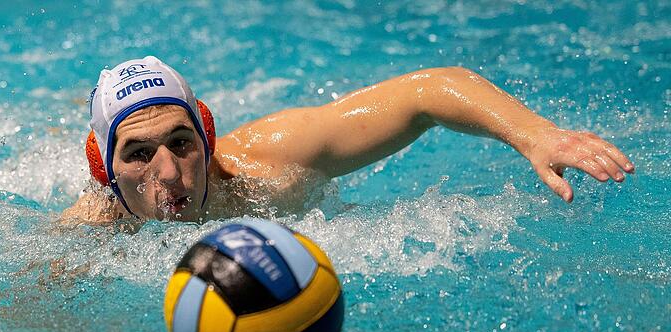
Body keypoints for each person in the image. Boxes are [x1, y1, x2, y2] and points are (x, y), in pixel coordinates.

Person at [62, 56, 634, 224]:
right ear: (103, 168)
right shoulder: (93, 229)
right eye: (138, 154)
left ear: (206, 136)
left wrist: (537, 135)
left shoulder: (271, 162)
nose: (167, 174)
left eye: (181, 143)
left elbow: (426, 91)